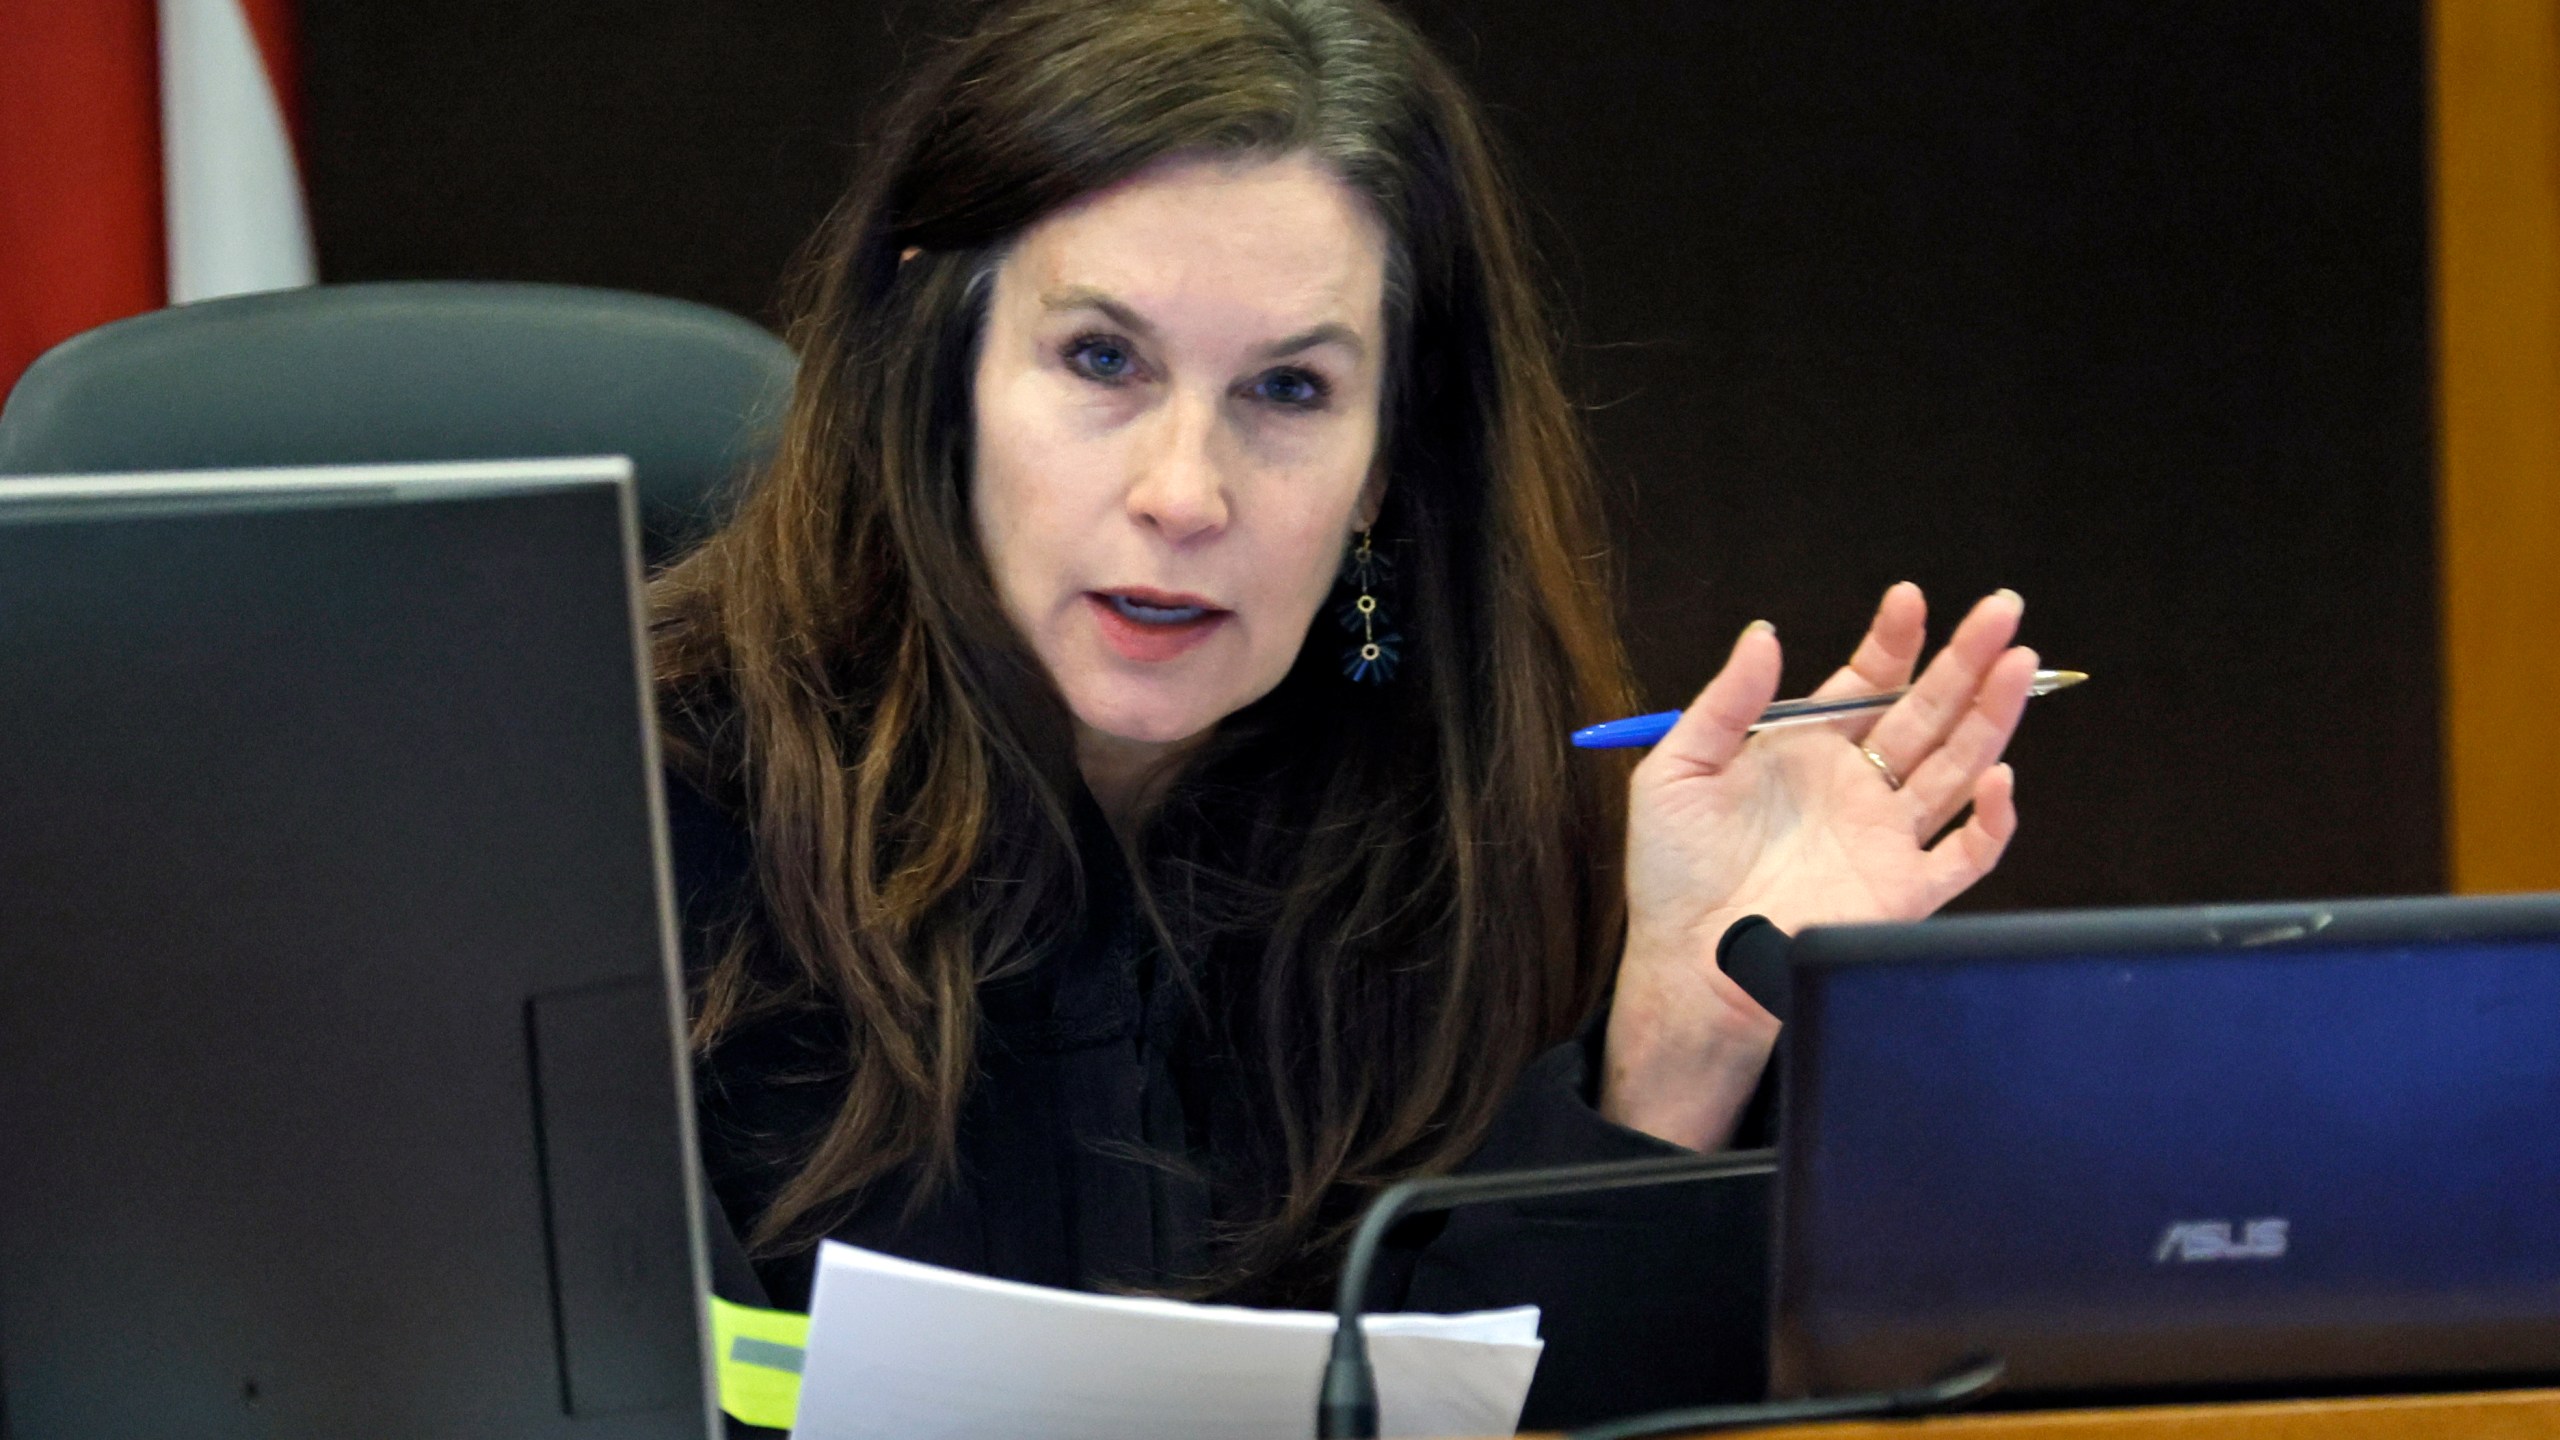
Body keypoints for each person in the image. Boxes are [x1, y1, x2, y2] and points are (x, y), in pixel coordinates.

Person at [648, 0, 2036, 1427]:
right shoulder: (620, 829)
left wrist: (1679, 1043)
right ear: (940, 363)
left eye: (1290, 390)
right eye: (1103, 361)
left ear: (1385, 461)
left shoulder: (1465, 831)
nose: (1185, 493)